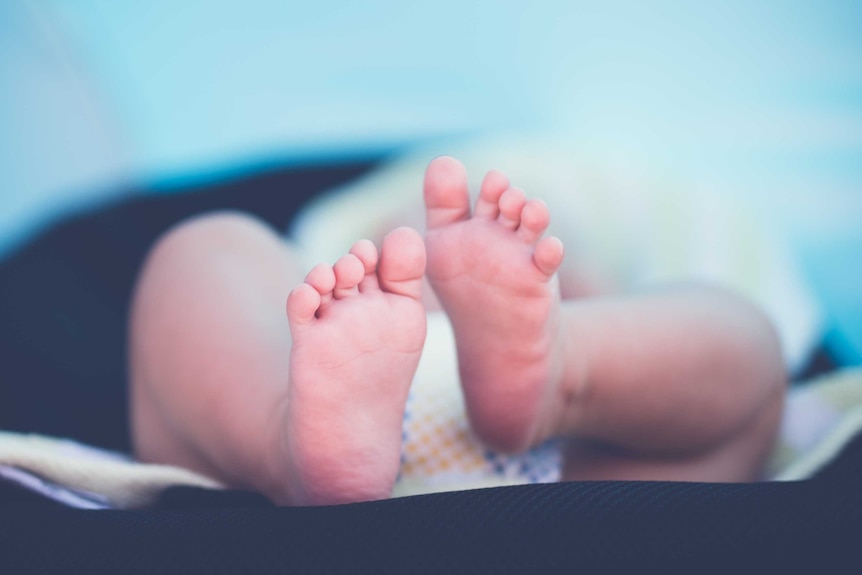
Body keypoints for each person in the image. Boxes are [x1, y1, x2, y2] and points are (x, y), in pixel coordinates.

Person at [128, 156, 786, 506]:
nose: (454, 238)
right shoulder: (309, 293)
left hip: (576, 459)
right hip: (315, 394)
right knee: (209, 259)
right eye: (418, 232)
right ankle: (287, 439)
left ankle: (563, 370)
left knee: (747, 350)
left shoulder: (611, 288)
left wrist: (568, 305)